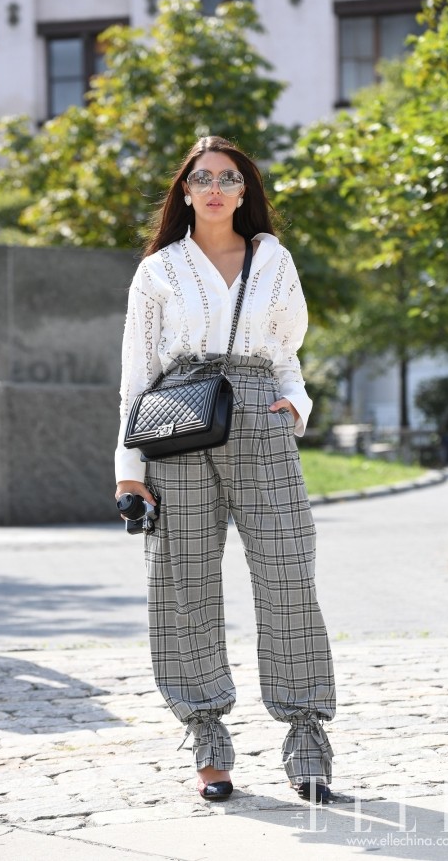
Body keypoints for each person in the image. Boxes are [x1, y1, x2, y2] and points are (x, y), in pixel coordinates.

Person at [115, 135, 336, 803]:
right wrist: (128, 468)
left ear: (245, 191)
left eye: (229, 178)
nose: (215, 188)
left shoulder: (273, 259)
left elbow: (288, 351)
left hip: (261, 418)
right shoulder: (159, 269)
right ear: (185, 191)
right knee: (183, 582)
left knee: (288, 572)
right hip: (178, 423)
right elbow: (136, 373)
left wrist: (294, 406)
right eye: (202, 178)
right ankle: (207, 735)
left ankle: (305, 734)